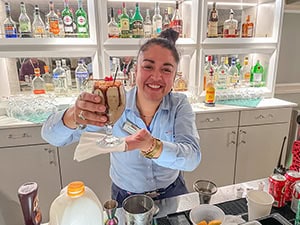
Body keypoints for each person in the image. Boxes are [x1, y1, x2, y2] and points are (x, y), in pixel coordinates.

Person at [41, 29, 201, 206]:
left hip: (173, 193)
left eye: (166, 69)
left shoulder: (178, 104)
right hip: (127, 198)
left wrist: (151, 146)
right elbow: (51, 137)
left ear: (174, 75)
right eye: (148, 66)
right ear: (135, 69)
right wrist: (73, 116)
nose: (156, 76)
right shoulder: (113, 104)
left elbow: (192, 157)